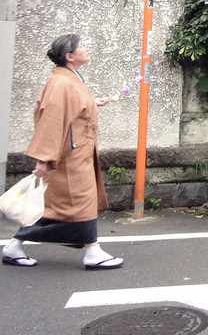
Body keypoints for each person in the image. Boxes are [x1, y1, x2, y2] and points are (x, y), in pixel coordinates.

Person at [2, 34, 123, 270]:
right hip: (69, 157)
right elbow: (52, 119)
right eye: (82, 47)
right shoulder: (62, 82)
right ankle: (92, 251)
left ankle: (15, 246)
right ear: (70, 56)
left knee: (59, 207)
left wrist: (91, 102)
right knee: (77, 202)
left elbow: (72, 106)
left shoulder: (68, 79)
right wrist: (43, 158)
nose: (86, 50)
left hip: (76, 153)